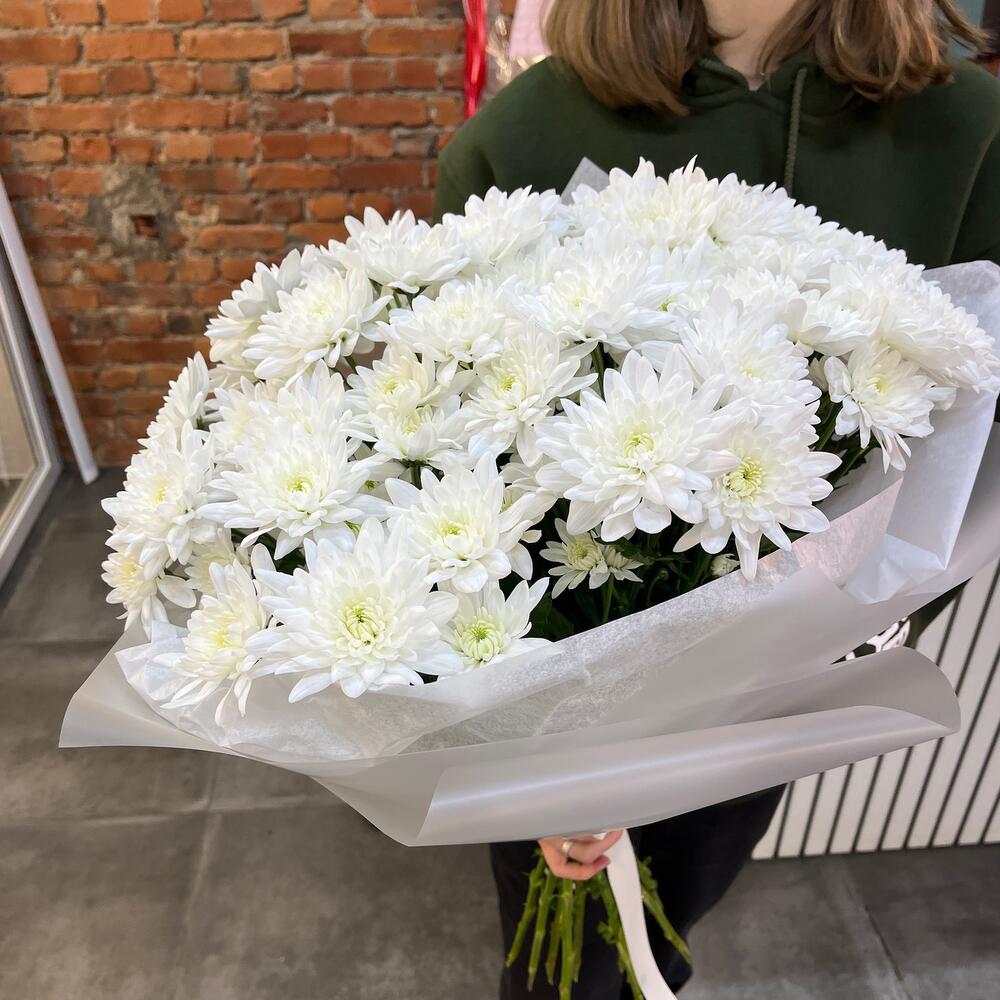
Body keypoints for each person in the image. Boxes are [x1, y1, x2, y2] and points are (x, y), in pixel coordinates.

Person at [432, 1, 1000, 996]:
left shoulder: (968, 136)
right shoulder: (521, 136)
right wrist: (551, 739)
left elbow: (966, 460)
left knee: (672, 921)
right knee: (553, 962)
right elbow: (453, 458)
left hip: (771, 693)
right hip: (549, 688)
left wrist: (810, 654)